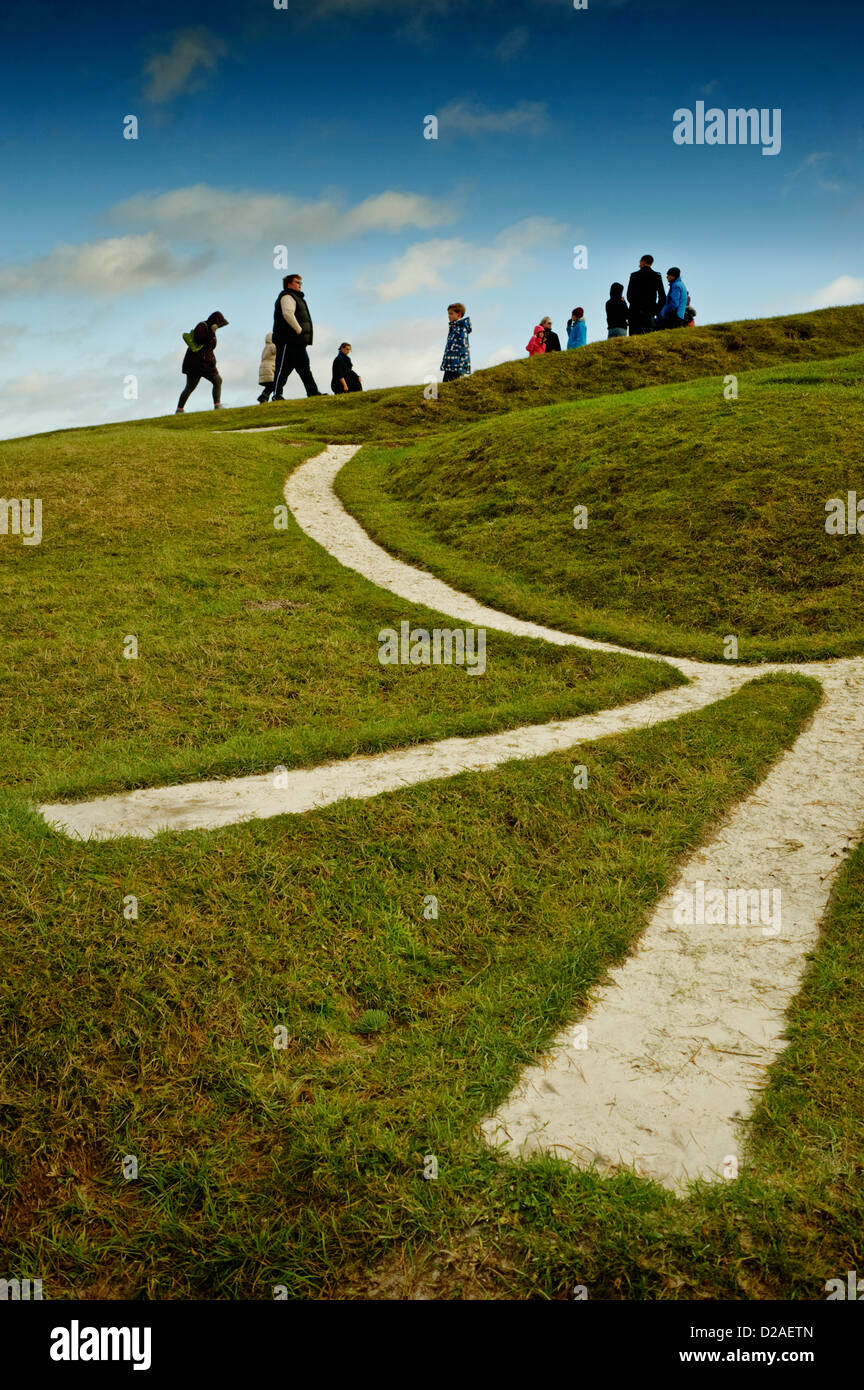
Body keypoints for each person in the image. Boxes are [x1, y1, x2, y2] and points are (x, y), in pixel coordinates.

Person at [271, 273, 324, 400]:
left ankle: (313, 392)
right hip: (287, 341)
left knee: (305, 368)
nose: (300, 285)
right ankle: (276, 395)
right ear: (289, 284)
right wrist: (298, 329)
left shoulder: (296, 297)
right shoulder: (287, 296)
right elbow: (287, 313)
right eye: (297, 282)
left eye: (301, 282)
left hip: (298, 342)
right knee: (282, 369)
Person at [175, 311, 228, 413]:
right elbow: (199, 339)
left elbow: (210, 347)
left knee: (216, 381)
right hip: (197, 364)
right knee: (191, 387)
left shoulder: (211, 330)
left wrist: (213, 333)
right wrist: (212, 332)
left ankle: (179, 409)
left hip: (205, 364)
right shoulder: (202, 326)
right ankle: (179, 409)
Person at [626, 255, 666, 335]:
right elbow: (662, 297)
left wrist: (635, 305)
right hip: (649, 312)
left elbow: (629, 295)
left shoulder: (634, 275)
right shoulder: (656, 276)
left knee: (634, 339)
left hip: (635, 312)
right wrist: (656, 310)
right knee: (648, 338)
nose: (639, 264)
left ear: (643, 262)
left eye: (640, 262)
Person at [441, 303, 471, 381]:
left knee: (454, 383)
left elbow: (463, 346)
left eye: (451, 314)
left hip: (457, 364)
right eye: (448, 314)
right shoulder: (453, 327)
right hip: (450, 362)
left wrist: (461, 363)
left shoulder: (461, 328)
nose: (449, 316)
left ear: (459, 315)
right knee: (445, 384)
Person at [256, 332, 276, 403]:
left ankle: (264, 397)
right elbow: (277, 350)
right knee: (274, 384)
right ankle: (264, 397)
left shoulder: (266, 347)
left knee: (270, 386)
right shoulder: (272, 346)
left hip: (264, 369)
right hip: (269, 369)